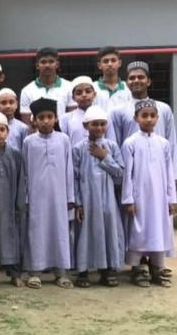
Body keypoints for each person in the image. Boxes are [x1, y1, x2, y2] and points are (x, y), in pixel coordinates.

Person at [122, 99, 176, 288]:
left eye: (152, 116)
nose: (149, 119)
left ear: (157, 118)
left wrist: (172, 199)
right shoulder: (130, 143)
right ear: (136, 118)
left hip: (160, 197)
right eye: (144, 115)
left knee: (159, 230)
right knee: (139, 231)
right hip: (140, 197)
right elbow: (127, 173)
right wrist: (128, 199)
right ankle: (138, 269)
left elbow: (169, 172)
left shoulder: (163, 143)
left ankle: (156, 268)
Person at [22, 98, 75, 289]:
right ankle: (34, 272)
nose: (45, 121)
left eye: (49, 117)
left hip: (59, 196)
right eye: (41, 117)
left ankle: (61, 272)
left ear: (56, 118)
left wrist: (70, 197)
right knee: (36, 231)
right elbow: (25, 171)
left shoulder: (64, 139)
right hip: (36, 196)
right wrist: (26, 197)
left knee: (59, 230)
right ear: (34, 120)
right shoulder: (29, 141)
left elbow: (69, 169)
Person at [72, 106, 124, 288]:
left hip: (108, 198)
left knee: (109, 231)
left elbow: (120, 174)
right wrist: (78, 203)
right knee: (85, 233)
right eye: (95, 124)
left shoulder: (112, 146)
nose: (99, 128)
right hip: (87, 199)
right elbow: (74, 177)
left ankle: (108, 270)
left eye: (102, 124)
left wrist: (105, 157)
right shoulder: (78, 148)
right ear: (86, 125)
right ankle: (83, 271)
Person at [0, 111, 26, 288]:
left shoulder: (15, 154)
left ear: (8, 132)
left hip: (10, 205)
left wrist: (19, 204)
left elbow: (21, 180)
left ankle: (15, 274)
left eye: (2, 129)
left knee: (13, 237)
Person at [109, 62, 177, 171]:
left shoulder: (164, 109)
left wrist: (174, 174)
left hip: (160, 170)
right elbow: (115, 146)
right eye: (132, 78)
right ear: (127, 83)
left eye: (141, 77)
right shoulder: (118, 111)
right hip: (132, 171)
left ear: (148, 81)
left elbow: (172, 143)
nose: (136, 80)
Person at [19, 47, 74, 125]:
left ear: (57, 64)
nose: (47, 65)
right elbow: (27, 123)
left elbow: (72, 119)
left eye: (51, 61)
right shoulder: (27, 90)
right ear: (37, 65)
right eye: (43, 62)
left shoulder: (69, 87)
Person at [61, 76, 115, 148]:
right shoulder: (66, 118)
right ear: (73, 98)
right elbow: (64, 144)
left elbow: (112, 143)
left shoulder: (105, 116)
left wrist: (105, 154)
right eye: (79, 93)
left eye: (88, 91)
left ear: (94, 94)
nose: (84, 95)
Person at [93, 46, 132, 112]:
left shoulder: (128, 88)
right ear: (99, 65)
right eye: (106, 61)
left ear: (119, 63)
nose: (110, 64)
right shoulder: (92, 88)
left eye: (113, 60)